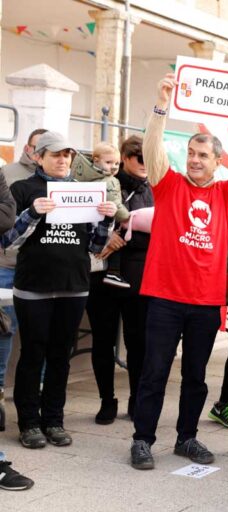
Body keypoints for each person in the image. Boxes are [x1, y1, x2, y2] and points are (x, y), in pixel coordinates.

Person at [129, 73, 228, 470]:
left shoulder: (227, 194)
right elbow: (152, 147)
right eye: (191, 153)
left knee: (195, 376)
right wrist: (161, 106)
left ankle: (187, 438)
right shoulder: (167, 183)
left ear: (216, 161)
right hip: (163, 298)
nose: (195, 159)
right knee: (153, 373)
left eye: (203, 155)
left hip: (206, 303)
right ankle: (142, 439)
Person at [2, 131, 116, 449]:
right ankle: (28, 423)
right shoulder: (23, 189)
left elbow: (94, 247)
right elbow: (8, 241)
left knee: (59, 357)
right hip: (34, 286)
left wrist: (105, 222)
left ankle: (54, 420)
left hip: (73, 286)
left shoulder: (86, 192)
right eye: (55, 154)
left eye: (67, 154)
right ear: (38, 157)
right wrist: (33, 213)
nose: (63, 159)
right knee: (32, 354)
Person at [85, 135, 154, 424]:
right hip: (102, 272)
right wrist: (106, 236)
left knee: (137, 342)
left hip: (139, 274)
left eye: (149, 157)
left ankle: (136, 398)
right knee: (102, 340)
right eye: (139, 157)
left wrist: (126, 237)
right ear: (125, 157)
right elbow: (84, 221)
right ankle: (106, 400)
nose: (144, 164)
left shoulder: (154, 189)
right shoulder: (102, 181)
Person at [0, 128, 46, 431]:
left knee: (35, 336)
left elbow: (5, 215)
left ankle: (36, 393)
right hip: (6, 263)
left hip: (35, 268)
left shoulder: (59, 183)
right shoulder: (10, 172)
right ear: (29, 149)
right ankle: (1, 393)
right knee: (5, 330)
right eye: (35, 147)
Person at [71, 142, 131, 288]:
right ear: (96, 160)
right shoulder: (110, 181)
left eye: (117, 163)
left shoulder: (79, 174)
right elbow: (117, 207)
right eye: (109, 162)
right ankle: (113, 272)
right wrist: (127, 217)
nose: (114, 167)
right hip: (100, 233)